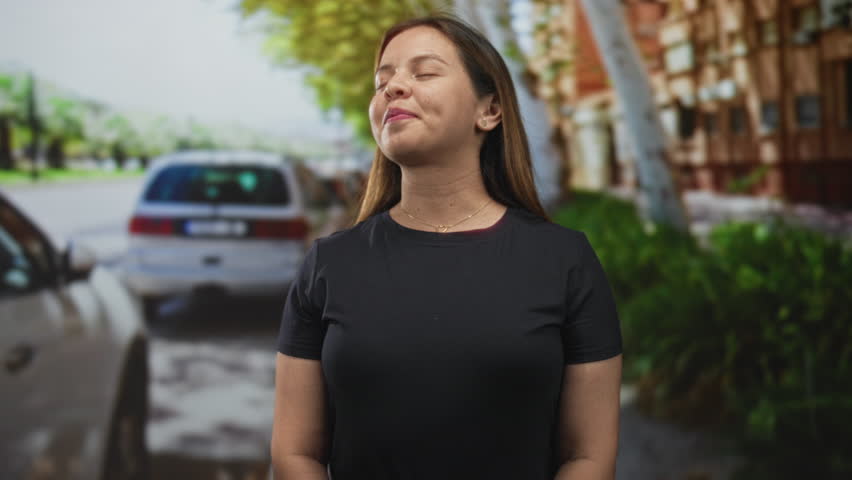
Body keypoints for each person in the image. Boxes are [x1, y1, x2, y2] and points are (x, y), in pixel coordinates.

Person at [271, 14, 623, 480]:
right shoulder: (328, 265)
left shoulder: (565, 262)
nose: (393, 87)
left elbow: (589, 456)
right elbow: (295, 453)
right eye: (383, 79)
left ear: (489, 110)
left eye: (424, 72)